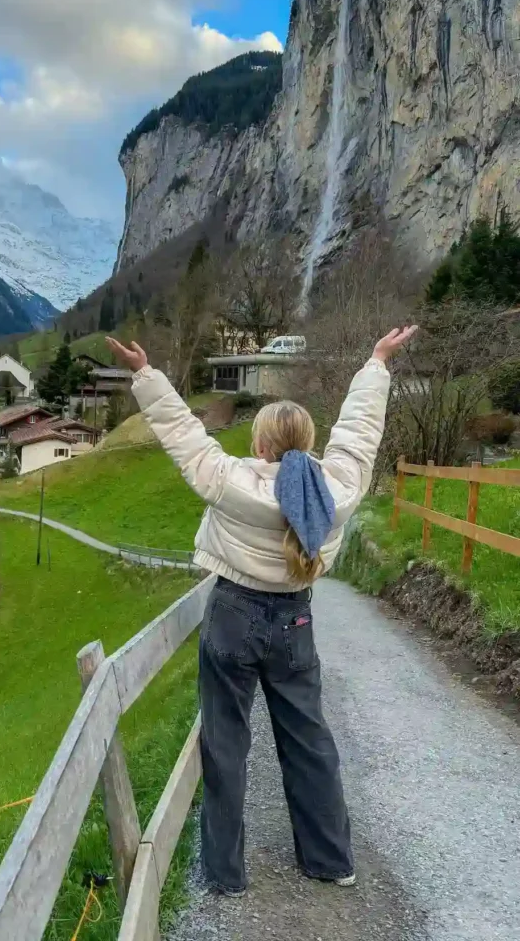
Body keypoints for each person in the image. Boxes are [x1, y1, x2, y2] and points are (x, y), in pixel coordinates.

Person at [106, 326, 418, 896]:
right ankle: (330, 861)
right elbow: (359, 435)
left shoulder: (231, 482)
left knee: (225, 743)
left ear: (259, 446)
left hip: (233, 613)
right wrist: (376, 364)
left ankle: (224, 875)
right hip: (296, 620)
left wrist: (144, 375)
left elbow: (183, 434)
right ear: (310, 441)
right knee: (309, 739)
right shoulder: (337, 490)